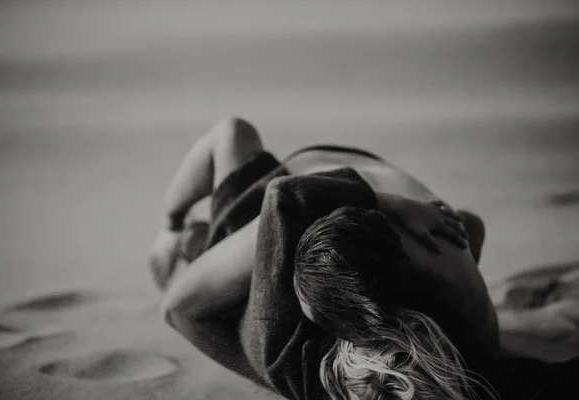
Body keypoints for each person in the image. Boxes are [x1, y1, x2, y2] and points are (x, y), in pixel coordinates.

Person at [148, 118, 570, 399]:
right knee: (231, 139)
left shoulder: (283, 328)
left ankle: (184, 238)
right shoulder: (455, 292)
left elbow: (285, 202)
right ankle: (176, 232)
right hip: (332, 200)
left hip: (295, 212)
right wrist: (383, 201)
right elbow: (287, 200)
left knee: (232, 137)